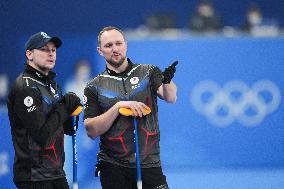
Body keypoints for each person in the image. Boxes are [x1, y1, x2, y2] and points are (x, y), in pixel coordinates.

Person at [83, 26, 177, 189]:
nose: (115, 49)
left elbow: (170, 97)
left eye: (118, 43)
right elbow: (91, 130)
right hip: (113, 168)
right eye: (108, 45)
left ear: (126, 45)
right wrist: (117, 107)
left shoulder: (148, 72)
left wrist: (167, 82)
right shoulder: (94, 86)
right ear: (100, 50)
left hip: (149, 164)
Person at [7, 32, 81, 189]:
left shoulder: (53, 86)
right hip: (34, 177)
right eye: (44, 49)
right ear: (29, 54)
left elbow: (68, 130)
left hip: (56, 173)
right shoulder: (25, 87)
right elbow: (42, 135)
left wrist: (73, 111)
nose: (50, 54)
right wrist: (64, 106)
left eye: (53, 50)